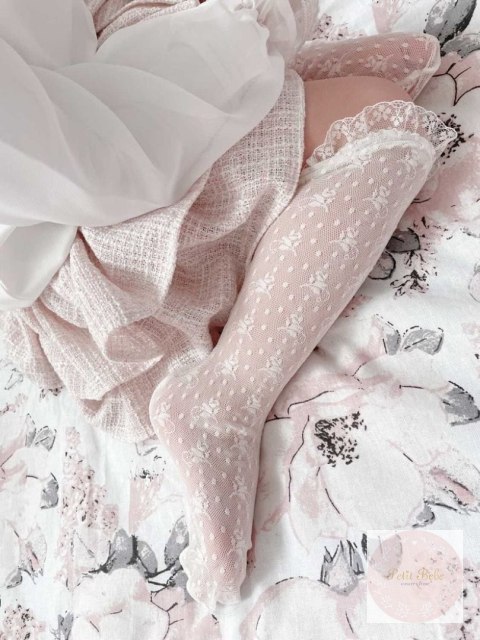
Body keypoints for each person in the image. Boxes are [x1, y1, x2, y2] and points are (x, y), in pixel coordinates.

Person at [0, 0, 457, 611]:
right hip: (89, 203)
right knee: (390, 124)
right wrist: (239, 40)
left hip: (91, 83)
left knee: (406, 56)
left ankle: (251, 79)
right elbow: (93, 167)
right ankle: (226, 397)